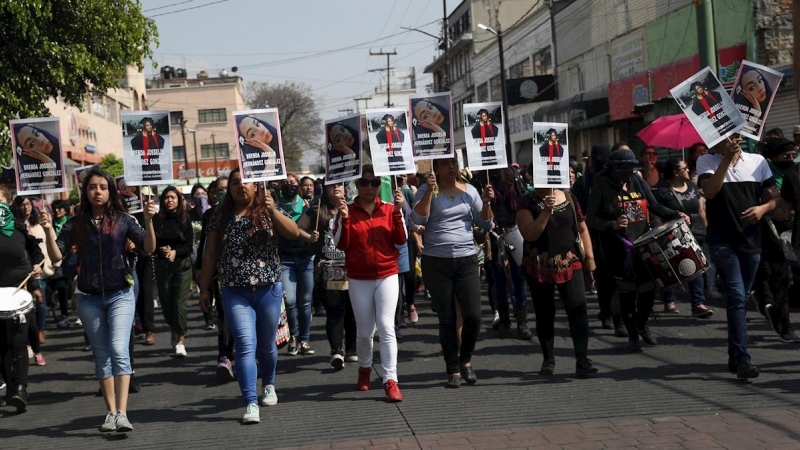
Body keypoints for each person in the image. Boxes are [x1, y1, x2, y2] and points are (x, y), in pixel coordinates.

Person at [40, 167, 157, 432]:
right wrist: (48, 230)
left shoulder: (124, 220)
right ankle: (110, 412)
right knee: (102, 355)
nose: (98, 192)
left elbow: (148, 247)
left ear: (110, 191)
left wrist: (148, 222)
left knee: (118, 349)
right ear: (85, 192)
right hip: (88, 297)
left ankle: (123, 413)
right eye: (92, 187)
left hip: (120, 294)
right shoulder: (76, 223)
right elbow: (57, 256)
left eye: (103, 187)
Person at [198, 168, 299, 424]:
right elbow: (209, 255)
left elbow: (293, 232)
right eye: (234, 183)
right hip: (234, 291)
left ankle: (269, 384)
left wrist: (273, 209)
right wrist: (205, 288)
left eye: (246, 182)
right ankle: (250, 402)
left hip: (269, 289)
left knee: (266, 345)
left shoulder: (267, 211)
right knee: (244, 345)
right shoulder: (219, 217)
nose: (241, 186)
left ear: (256, 187)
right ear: (229, 189)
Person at [586, 149, 684, 353]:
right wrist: (611, 224)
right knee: (627, 292)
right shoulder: (601, 185)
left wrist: (677, 214)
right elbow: (591, 218)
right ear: (613, 169)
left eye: (631, 169)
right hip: (617, 247)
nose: (627, 174)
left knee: (649, 288)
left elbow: (655, 206)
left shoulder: (637, 181)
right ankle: (632, 334)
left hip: (642, 244)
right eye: (623, 170)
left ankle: (641, 323)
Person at [697, 134, 777, 379]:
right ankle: (743, 358)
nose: (732, 140)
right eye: (725, 137)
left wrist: (763, 209)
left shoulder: (757, 161)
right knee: (737, 296)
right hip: (722, 240)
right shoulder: (706, 161)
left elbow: (774, 198)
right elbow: (710, 192)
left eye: (735, 136)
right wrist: (726, 160)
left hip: (751, 240)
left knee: (739, 301)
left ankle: (735, 354)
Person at [412, 157, 494, 387]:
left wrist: (487, 204)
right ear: (435, 167)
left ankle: (465, 359)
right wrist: (429, 190)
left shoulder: (471, 190)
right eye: (445, 163)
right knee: (447, 317)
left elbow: (486, 224)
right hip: (436, 261)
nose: (451, 167)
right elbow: (418, 219)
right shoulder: (426, 189)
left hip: (467, 259)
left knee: (473, 316)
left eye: (453, 163)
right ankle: (452, 367)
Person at [333, 164, 406, 401]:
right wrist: (343, 218)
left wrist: (398, 211)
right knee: (365, 332)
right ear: (357, 185)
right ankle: (364, 368)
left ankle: (390, 379)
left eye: (375, 183)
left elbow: (401, 239)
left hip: (387, 273)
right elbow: (340, 245)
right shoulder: (347, 210)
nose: (370, 187)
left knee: (386, 327)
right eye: (365, 183)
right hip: (359, 277)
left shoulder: (389, 208)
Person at [516, 186, 598, 377]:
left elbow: (582, 228)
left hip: (570, 261)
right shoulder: (526, 202)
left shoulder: (569, 197)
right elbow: (529, 234)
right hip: (539, 264)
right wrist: (546, 211)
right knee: (545, 312)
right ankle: (548, 359)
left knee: (578, 307)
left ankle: (582, 360)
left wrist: (590, 259)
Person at [301, 182, 357, 369]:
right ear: (324, 190)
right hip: (328, 269)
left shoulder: (353, 209)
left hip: (352, 268)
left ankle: (352, 349)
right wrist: (309, 238)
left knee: (353, 311)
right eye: (331, 185)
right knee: (335, 310)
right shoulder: (316, 212)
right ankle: (336, 351)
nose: (336, 188)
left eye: (339, 185)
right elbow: (295, 229)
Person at [0, 186, 45, 412]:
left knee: (18, 341)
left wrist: (37, 271)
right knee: (2, 345)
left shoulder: (18, 228)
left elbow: (36, 254)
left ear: (8, 203)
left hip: (18, 294)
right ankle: (9, 389)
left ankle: (20, 390)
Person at [750, 138, 799, 343]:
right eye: (785, 155)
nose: (789, 159)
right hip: (776, 231)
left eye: (792, 155)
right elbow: (780, 211)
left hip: (793, 228)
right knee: (780, 277)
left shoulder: (794, 172)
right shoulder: (764, 174)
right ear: (773, 156)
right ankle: (783, 325)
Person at [653, 159, 714, 318]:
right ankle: (669, 300)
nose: (688, 170)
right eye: (684, 168)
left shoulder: (693, 188)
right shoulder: (663, 192)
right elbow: (657, 213)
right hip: (672, 235)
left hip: (695, 233)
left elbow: (700, 209)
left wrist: (705, 228)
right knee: (672, 268)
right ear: (675, 172)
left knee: (697, 267)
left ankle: (698, 303)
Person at [196, 176, 235, 381]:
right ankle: (225, 356)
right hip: (221, 275)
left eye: (225, 188)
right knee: (224, 317)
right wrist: (200, 271)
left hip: (247, 277)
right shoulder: (211, 215)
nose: (222, 192)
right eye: (218, 189)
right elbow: (205, 246)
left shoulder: (242, 211)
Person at [11, 196, 55, 367]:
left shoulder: (31, 226)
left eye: (28, 204)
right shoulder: (11, 226)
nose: (25, 207)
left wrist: (38, 269)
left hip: (32, 277)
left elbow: (37, 252)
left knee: (34, 313)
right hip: (10, 282)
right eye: (21, 204)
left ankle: (36, 346)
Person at [486, 168, 529, 339]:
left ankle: (522, 322)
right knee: (499, 280)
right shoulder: (484, 179)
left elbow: (523, 202)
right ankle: (505, 321)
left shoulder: (514, 179)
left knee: (519, 278)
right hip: (495, 236)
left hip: (515, 232)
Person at [152, 187, 194, 357]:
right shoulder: (156, 220)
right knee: (167, 305)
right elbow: (151, 245)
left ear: (178, 200)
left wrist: (175, 252)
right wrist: (161, 250)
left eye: (173, 197)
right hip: (163, 267)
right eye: (166, 198)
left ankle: (180, 341)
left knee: (179, 304)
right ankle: (175, 329)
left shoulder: (185, 219)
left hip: (182, 267)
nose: (169, 200)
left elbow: (189, 246)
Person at [278, 173, 316, 356]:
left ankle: (305, 340)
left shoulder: (307, 206)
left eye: (292, 182)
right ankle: (293, 335)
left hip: (305, 257)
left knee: (305, 302)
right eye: (285, 183)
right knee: (290, 300)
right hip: (284, 259)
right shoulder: (274, 207)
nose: (289, 185)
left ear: (299, 187)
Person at [12, 123, 61, 190]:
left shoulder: (61, 154)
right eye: (32, 144)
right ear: (27, 153)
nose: (41, 141)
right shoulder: (34, 180)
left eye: (37, 134)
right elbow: (43, 193)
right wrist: (51, 167)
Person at [48, 200, 72, 329]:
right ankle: (64, 314)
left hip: (72, 258)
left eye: (60, 208)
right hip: (56, 261)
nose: (57, 211)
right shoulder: (50, 224)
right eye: (55, 209)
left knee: (72, 287)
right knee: (60, 286)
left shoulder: (71, 221)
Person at [733, 66, 774, 138]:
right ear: (743, 94)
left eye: (760, 81)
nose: (760, 88)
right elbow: (743, 136)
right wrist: (757, 113)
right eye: (752, 87)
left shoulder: (770, 106)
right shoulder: (739, 117)